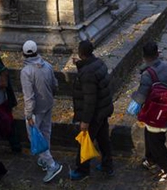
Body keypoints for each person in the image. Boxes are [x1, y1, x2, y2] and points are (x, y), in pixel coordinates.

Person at [129, 42, 167, 183]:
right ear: (157, 54)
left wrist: (134, 102)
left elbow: (142, 95)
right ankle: (150, 160)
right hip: (165, 108)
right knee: (149, 136)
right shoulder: (165, 67)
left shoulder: (147, 75)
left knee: (156, 142)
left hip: (155, 112)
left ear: (143, 57)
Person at [69, 40, 114, 181]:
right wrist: (79, 64)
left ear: (81, 53)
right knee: (103, 139)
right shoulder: (98, 63)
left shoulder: (87, 73)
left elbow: (89, 100)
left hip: (94, 114)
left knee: (85, 141)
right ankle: (107, 165)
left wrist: (85, 121)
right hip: (103, 110)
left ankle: (82, 170)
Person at [20, 40, 63, 183]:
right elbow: (55, 84)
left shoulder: (26, 72)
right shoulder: (48, 66)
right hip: (48, 104)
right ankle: (45, 159)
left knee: (35, 138)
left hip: (36, 109)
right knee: (46, 132)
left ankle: (51, 164)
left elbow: (29, 96)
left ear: (24, 54)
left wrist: (28, 114)